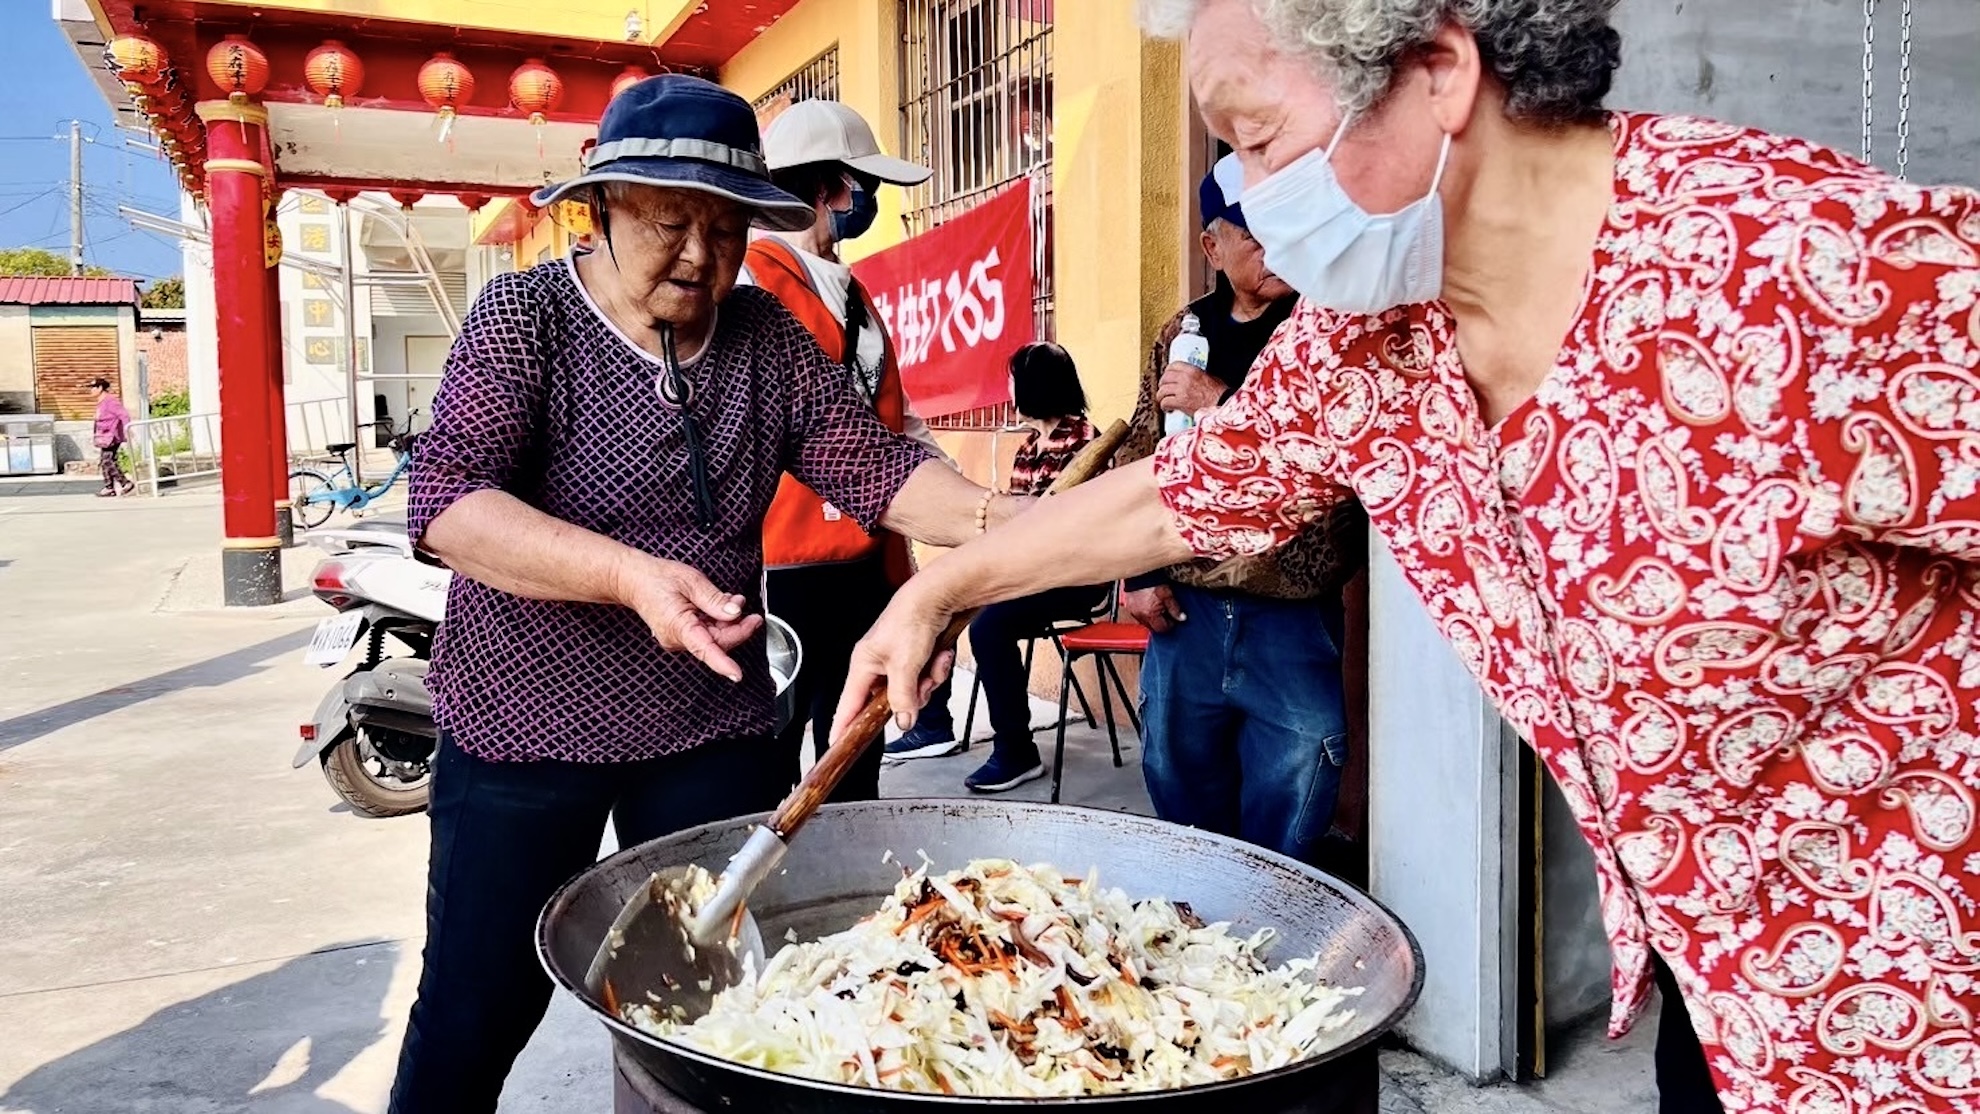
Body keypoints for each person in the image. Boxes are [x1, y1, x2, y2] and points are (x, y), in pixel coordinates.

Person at [837, 2, 1980, 1111]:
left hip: (1926, 992)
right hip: (1721, 989)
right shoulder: (1376, 343)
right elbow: (1176, 494)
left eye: (1259, 140)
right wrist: (943, 586)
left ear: (1438, 73)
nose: (1250, 200)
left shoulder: (1798, 268)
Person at [388, 75, 1019, 1114]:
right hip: (523, 724)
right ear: (603, 209)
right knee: (476, 1000)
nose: (699, 257)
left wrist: (1011, 530)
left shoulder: (765, 338)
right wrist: (631, 576)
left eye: (725, 230)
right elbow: (449, 504)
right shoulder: (528, 315)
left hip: (711, 721)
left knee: (720, 1000)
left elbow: (877, 469)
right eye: (670, 223)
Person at [1114, 154, 1365, 865]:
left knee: (1299, 780)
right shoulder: (1181, 331)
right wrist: (1136, 572)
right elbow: (1141, 452)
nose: (1275, 248)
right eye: (1253, 234)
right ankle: (1203, 932)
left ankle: (1276, 932)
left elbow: (1331, 449)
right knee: (1179, 781)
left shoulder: (1323, 327)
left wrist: (1216, 401)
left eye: (1287, 227)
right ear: (1212, 246)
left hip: (1290, 606)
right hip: (1187, 607)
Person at [743, 98, 956, 802]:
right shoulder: (752, 284)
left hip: (865, 557)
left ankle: (848, 877)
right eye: (862, 186)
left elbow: (888, 419)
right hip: (780, 565)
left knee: (857, 738)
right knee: (769, 750)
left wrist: (947, 494)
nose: (869, 204)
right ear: (829, 187)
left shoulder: (850, 291)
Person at [884, 342, 1110, 792]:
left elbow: (1082, 527)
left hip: (1076, 577)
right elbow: (1015, 522)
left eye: (1015, 378)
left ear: (1035, 383)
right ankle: (932, 725)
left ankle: (1017, 750)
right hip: (1028, 571)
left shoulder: (1087, 441)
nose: (1009, 387)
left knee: (990, 628)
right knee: (940, 601)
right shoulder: (1028, 447)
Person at [88, 378, 132, 498]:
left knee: (108, 460)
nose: (91, 390)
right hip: (104, 436)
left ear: (100, 388)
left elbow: (124, 415)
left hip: (112, 436)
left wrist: (127, 429)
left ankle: (125, 482)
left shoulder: (110, 401)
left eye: (93, 387)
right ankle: (109, 487)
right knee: (104, 461)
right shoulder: (101, 402)